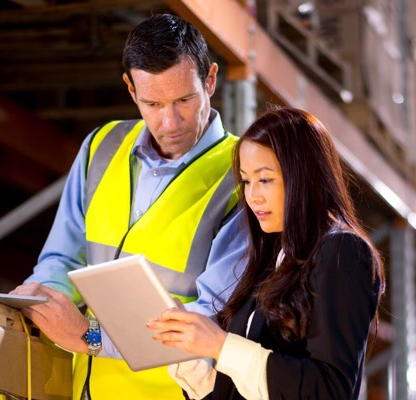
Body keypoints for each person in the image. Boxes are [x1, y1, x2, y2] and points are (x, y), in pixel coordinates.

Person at [10, 13, 248, 400]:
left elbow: (214, 322)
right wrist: (40, 299)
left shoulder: (243, 173)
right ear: (130, 89)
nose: (170, 122)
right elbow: (62, 259)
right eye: (153, 103)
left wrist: (87, 336)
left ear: (210, 80)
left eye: (184, 100)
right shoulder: (100, 147)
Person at [148, 107, 386, 399]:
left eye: (265, 179)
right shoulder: (271, 260)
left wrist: (221, 346)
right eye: (247, 181)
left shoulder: (342, 251)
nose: (252, 196)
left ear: (303, 175)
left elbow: (329, 389)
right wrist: (191, 354)